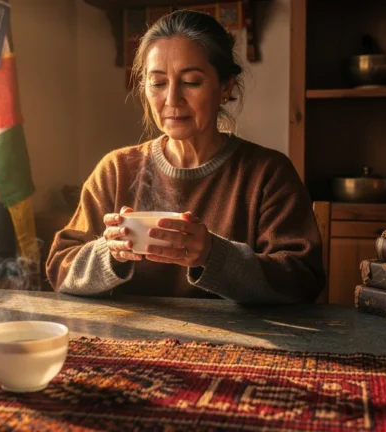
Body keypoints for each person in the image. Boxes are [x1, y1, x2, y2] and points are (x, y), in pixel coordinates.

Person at [46, 10, 325, 304]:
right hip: (134, 342)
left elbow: (303, 281)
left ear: (225, 87)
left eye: (191, 82)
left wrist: (211, 254)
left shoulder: (267, 174)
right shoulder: (116, 170)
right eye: (158, 83)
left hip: (240, 346)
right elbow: (59, 271)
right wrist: (111, 253)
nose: (172, 99)